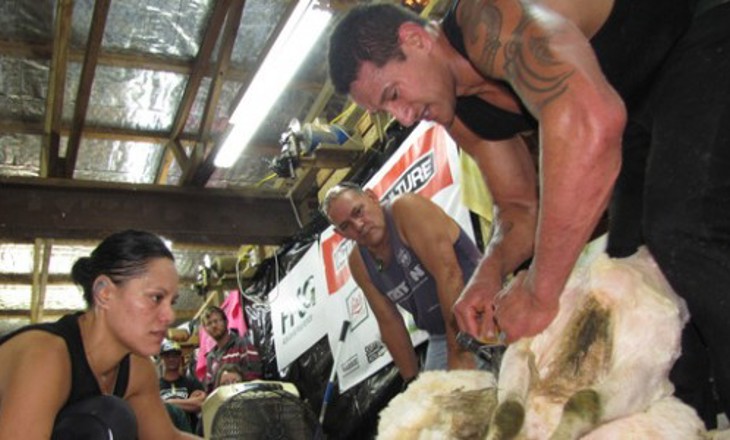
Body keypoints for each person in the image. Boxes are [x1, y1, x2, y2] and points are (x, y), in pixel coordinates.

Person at [327, 0, 730, 425]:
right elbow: (519, 208)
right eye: (385, 111)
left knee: (686, 232)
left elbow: (589, 122)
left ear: (416, 39)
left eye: (394, 94)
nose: (404, 117)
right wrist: (488, 273)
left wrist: (540, 293)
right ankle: (690, 423)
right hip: (633, 107)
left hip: (697, 35)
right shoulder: (458, 111)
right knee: (631, 275)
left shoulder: (487, 21)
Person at [0, 229, 201, 439]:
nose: (169, 315)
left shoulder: (137, 368)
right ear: (104, 292)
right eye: (156, 298)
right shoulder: (45, 356)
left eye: (172, 302)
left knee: (110, 418)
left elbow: (168, 438)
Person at [321, 183, 483, 383]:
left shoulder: (406, 210)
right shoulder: (359, 263)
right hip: (441, 334)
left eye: (358, 212)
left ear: (372, 197)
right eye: (346, 226)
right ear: (340, 234)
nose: (359, 225)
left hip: (480, 311)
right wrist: (411, 382)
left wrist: (459, 353)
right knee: (426, 408)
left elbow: (449, 274)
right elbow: (389, 321)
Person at [201, 305, 262, 393]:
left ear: (226, 322)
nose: (214, 326)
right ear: (206, 329)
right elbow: (209, 390)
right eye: (209, 323)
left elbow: (255, 378)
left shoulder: (242, 345)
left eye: (216, 321)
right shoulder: (210, 357)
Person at [158, 340, 206, 433]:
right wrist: (188, 403)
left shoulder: (191, 382)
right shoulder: (155, 386)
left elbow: (200, 403)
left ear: (180, 357)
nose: (171, 359)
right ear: (162, 358)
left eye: (175, 355)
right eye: (167, 356)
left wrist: (166, 403)